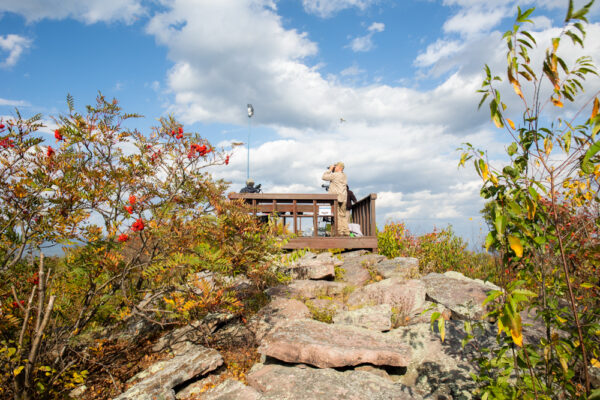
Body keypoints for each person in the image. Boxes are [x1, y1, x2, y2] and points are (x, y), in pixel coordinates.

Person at [322, 162, 350, 236]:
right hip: (343, 198)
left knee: (337, 215)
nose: (335, 167)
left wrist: (330, 170)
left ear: (340, 167)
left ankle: (340, 232)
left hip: (336, 198)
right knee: (342, 215)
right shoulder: (344, 175)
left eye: (336, 166)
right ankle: (346, 232)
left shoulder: (335, 175)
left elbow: (324, 177)